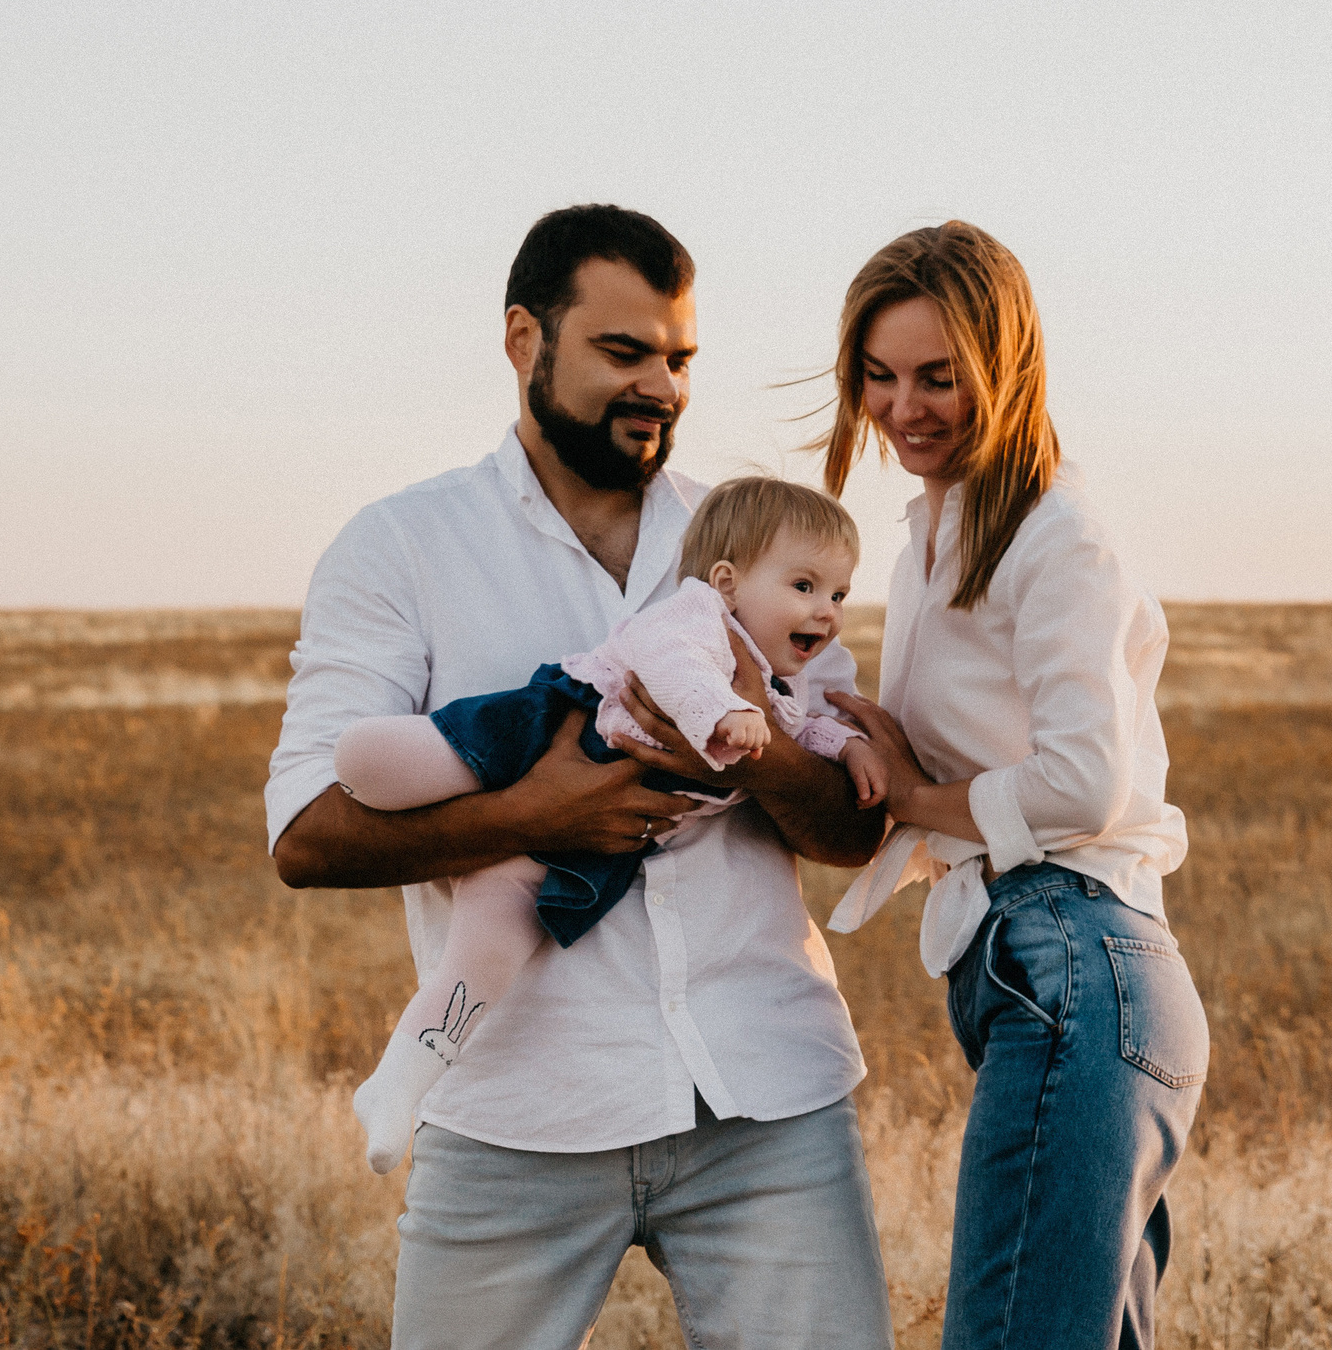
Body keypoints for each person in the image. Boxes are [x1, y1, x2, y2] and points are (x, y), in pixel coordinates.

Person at [266, 205, 896, 1350]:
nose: (659, 383)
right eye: (623, 352)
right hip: (515, 1111)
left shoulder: (756, 542)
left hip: (766, 1097)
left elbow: (852, 831)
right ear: (523, 340)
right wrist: (534, 811)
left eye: (679, 357)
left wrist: (744, 734)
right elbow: (305, 833)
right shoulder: (401, 545)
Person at [820, 222, 1205, 1350]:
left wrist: (906, 793)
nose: (904, 409)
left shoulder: (1054, 534)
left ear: (1005, 363)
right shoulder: (930, 535)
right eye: (879, 377)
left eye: (938, 376)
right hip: (1043, 968)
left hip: (1078, 960)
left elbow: (1083, 782)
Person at [332, 477, 887, 1173]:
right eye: (805, 586)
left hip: (587, 846)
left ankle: (399, 1082)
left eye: (839, 594)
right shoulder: (696, 618)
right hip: (554, 730)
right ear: (725, 581)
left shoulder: (779, 681)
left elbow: (802, 733)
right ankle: (371, 763)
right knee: (415, 758)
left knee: (487, 957)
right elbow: (664, 657)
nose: (828, 612)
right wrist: (720, 712)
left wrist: (849, 745)